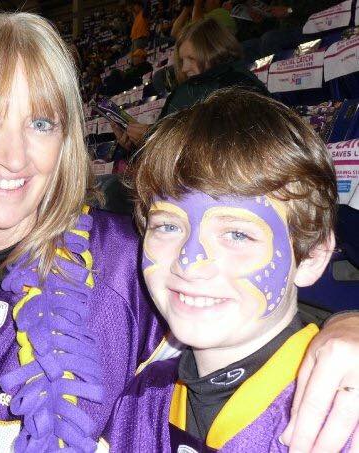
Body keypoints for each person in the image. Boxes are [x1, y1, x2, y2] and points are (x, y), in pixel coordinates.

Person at [0, 12, 359, 453]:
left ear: (66, 141)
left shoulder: (133, 261)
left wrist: (347, 325)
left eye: (42, 123)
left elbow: (252, 310)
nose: (13, 155)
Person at [102, 89, 355, 452]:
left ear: (312, 257)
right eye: (168, 227)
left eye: (237, 233)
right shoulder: (139, 395)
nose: (189, 262)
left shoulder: (343, 415)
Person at [113, 18, 268, 153]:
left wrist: (151, 139)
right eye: (182, 60)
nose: (185, 68)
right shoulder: (234, 79)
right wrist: (138, 144)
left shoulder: (223, 87)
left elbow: (211, 152)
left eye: (191, 59)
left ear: (212, 52)